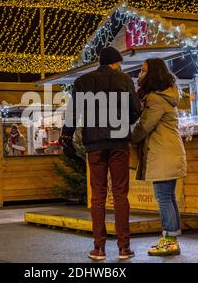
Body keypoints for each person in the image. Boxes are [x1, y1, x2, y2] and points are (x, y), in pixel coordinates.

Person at [60, 46, 141, 260]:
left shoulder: (82, 82)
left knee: (98, 196)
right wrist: (126, 122)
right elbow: (135, 109)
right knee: (121, 194)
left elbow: (72, 112)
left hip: (94, 145)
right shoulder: (124, 79)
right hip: (119, 143)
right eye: (119, 63)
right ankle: (124, 247)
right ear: (114, 62)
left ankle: (99, 248)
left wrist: (66, 135)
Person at [131, 58, 187, 256]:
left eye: (144, 70)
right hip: (169, 151)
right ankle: (171, 239)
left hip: (163, 153)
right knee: (168, 197)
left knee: (163, 197)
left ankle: (170, 239)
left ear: (153, 73)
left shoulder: (155, 98)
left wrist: (130, 136)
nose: (140, 73)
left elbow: (145, 126)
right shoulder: (165, 95)